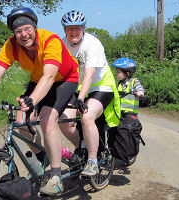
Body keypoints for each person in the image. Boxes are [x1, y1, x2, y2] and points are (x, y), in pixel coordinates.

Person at [0, 7, 79, 196]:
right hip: (38, 79)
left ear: (35, 27)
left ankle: (56, 177)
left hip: (65, 79)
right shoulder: (11, 45)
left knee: (47, 119)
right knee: (20, 122)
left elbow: (49, 77)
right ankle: (44, 157)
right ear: (14, 33)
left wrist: (32, 100)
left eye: (27, 29)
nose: (23, 34)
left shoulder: (51, 40)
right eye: (18, 31)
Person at [58, 10, 121, 177]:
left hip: (101, 86)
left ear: (83, 28)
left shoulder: (93, 43)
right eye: (69, 28)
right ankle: (82, 148)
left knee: (86, 117)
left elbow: (90, 73)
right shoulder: (62, 44)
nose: (73, 32)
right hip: (77, 87)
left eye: (77, 28)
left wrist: (80, 98)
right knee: (63, 121)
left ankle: (92, 160)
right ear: (64, 29)